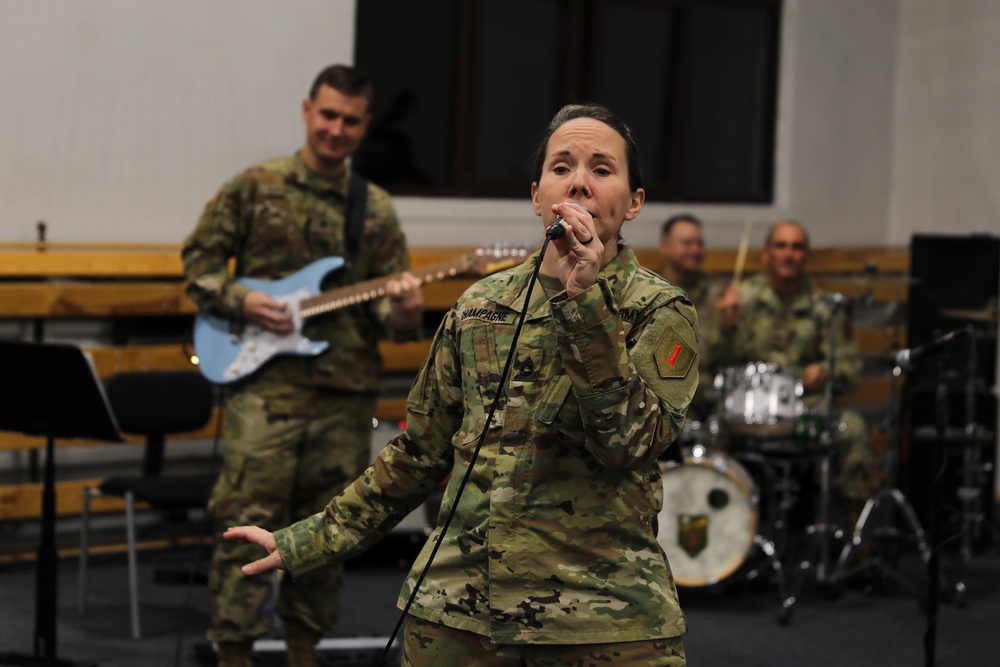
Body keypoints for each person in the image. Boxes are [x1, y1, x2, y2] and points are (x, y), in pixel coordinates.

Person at [224, 103, 699, 666]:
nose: (578, 181)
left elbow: (627, 445)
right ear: (537, 194)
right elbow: (416, 456)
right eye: (562, 166)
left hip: (602, 621)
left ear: (634, 202)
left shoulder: (660, 310)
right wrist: (305, 540)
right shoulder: (480, 307)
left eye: (601, 169)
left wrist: (584, 302)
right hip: (457, 614)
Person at [181, 64, 424, 667]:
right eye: (329, 115)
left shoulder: (376, 210)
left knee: (327, 534)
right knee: (244, 524)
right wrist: (241, 299)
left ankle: (302, 654)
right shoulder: (254, 187)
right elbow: (199, 262)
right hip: (262, 392)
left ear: (365, 126)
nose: (337, 130)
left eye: (351, 121)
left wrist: (407, 311)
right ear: (307, 111)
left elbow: (396, 325)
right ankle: (232, 653)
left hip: (343, 398)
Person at [712, 220, 881, 526]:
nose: (789, 254)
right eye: (781, 246)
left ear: (806, 256)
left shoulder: (824, 306)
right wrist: (724, 329)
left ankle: (857, 541)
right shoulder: (741, 299)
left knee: (853, 428)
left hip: (805, 411)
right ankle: (725, 537)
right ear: (766, 254)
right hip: (749, 409)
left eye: (797, 247)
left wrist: (826, 371)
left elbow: (850, 370)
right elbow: (710, 362)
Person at [656, 214, 729, 423]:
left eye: (699, 243)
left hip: (708, 398)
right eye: (687, 243)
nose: (695, 250)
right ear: (665, 246)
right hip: (661, 396)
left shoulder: (719, 293)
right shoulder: (648, 292)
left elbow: (725, 357)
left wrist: (728, 328)